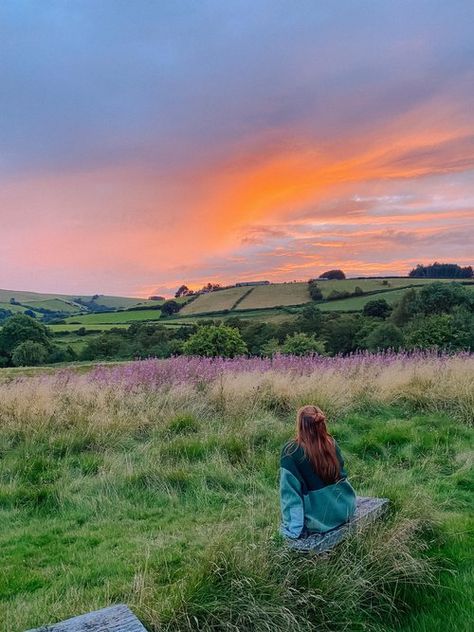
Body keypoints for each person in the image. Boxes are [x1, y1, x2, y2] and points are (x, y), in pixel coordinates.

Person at [280, 404, 356, 539]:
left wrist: (293, 531)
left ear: (301, 425)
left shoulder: (291, 451)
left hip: (321, 521)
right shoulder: (331, 442)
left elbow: (290, 495)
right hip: (345, 509)